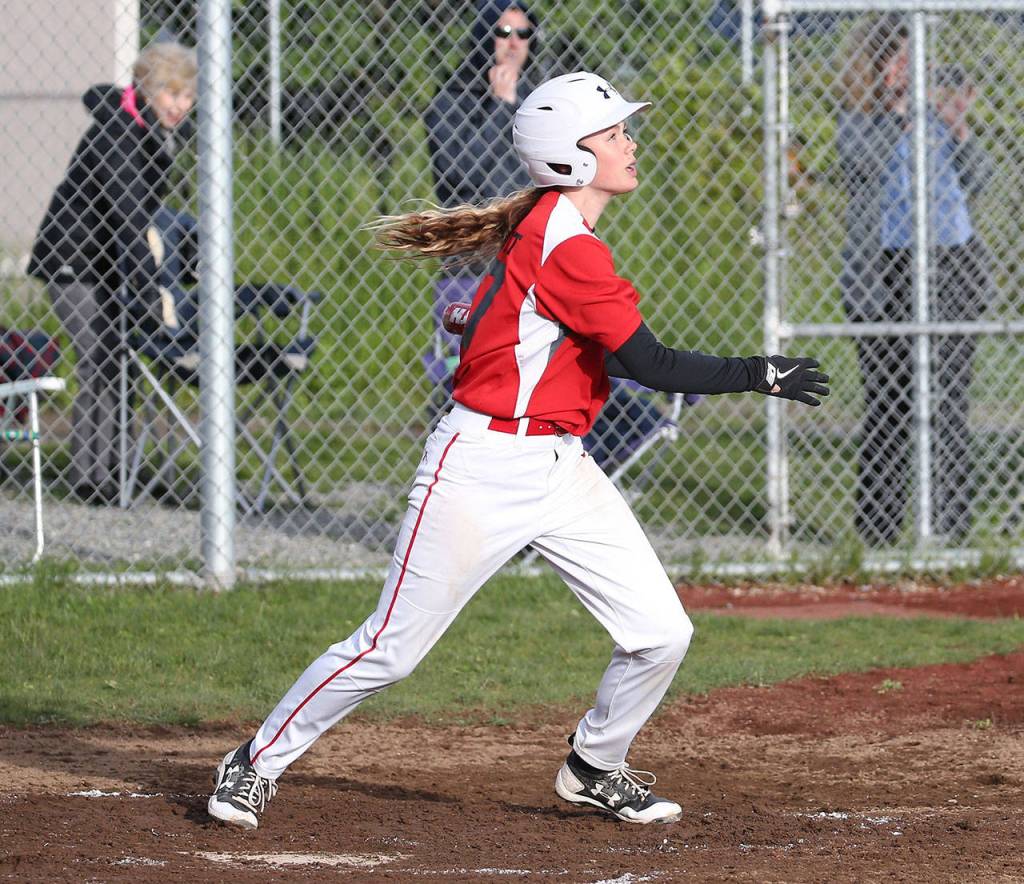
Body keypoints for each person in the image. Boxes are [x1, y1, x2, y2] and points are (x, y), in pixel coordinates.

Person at [207, 71, 829, 830]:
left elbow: (558, 331)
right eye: (612, 136)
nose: (629, 144)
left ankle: (594, 765)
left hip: (561, 467)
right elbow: (648, 363)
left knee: (661, 632)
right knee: (390, 651)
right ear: (570, 158)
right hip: (479, 467)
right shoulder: (566, 245)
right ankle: (254, 761)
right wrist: (759, 373)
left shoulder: (549, 226)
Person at [837, 17, 995, 546]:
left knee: (948, 402)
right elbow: (861, 165)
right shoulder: (859, 118)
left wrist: (958, 129)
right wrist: (901, 117)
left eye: (914, 58)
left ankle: (950, 532)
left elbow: (979, 180)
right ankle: (877, 533)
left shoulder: (934, 116)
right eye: (899, 59)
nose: (910, 69)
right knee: (888, 401)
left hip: (952, 262)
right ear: (877, 66)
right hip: (884, 273)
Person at [26, 42, 197, 505]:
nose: (179, 106)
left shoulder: (148, 130)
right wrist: (147, 293)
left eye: (187, 96)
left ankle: (119, 468)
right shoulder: (118, 133)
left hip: (106, 264)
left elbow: (145, 215)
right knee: (98, 357)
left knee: (120, 360)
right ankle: (90, 477)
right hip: (71, 262)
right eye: (170, 94)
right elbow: (129, 219)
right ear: (145, 87)